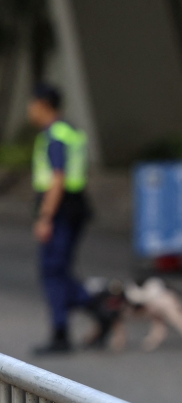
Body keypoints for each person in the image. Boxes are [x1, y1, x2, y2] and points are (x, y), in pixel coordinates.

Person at [28, 83, 96, 355]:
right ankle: (100, 309)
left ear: (42, 104)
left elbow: (58, 177)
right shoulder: (71, 130)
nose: (29, 110)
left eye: (31, 103)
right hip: (77, 205)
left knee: (52, 270)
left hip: (60, 209)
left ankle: (62, 331)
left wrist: (45, 216)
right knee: (59, 268)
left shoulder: (54, 135)